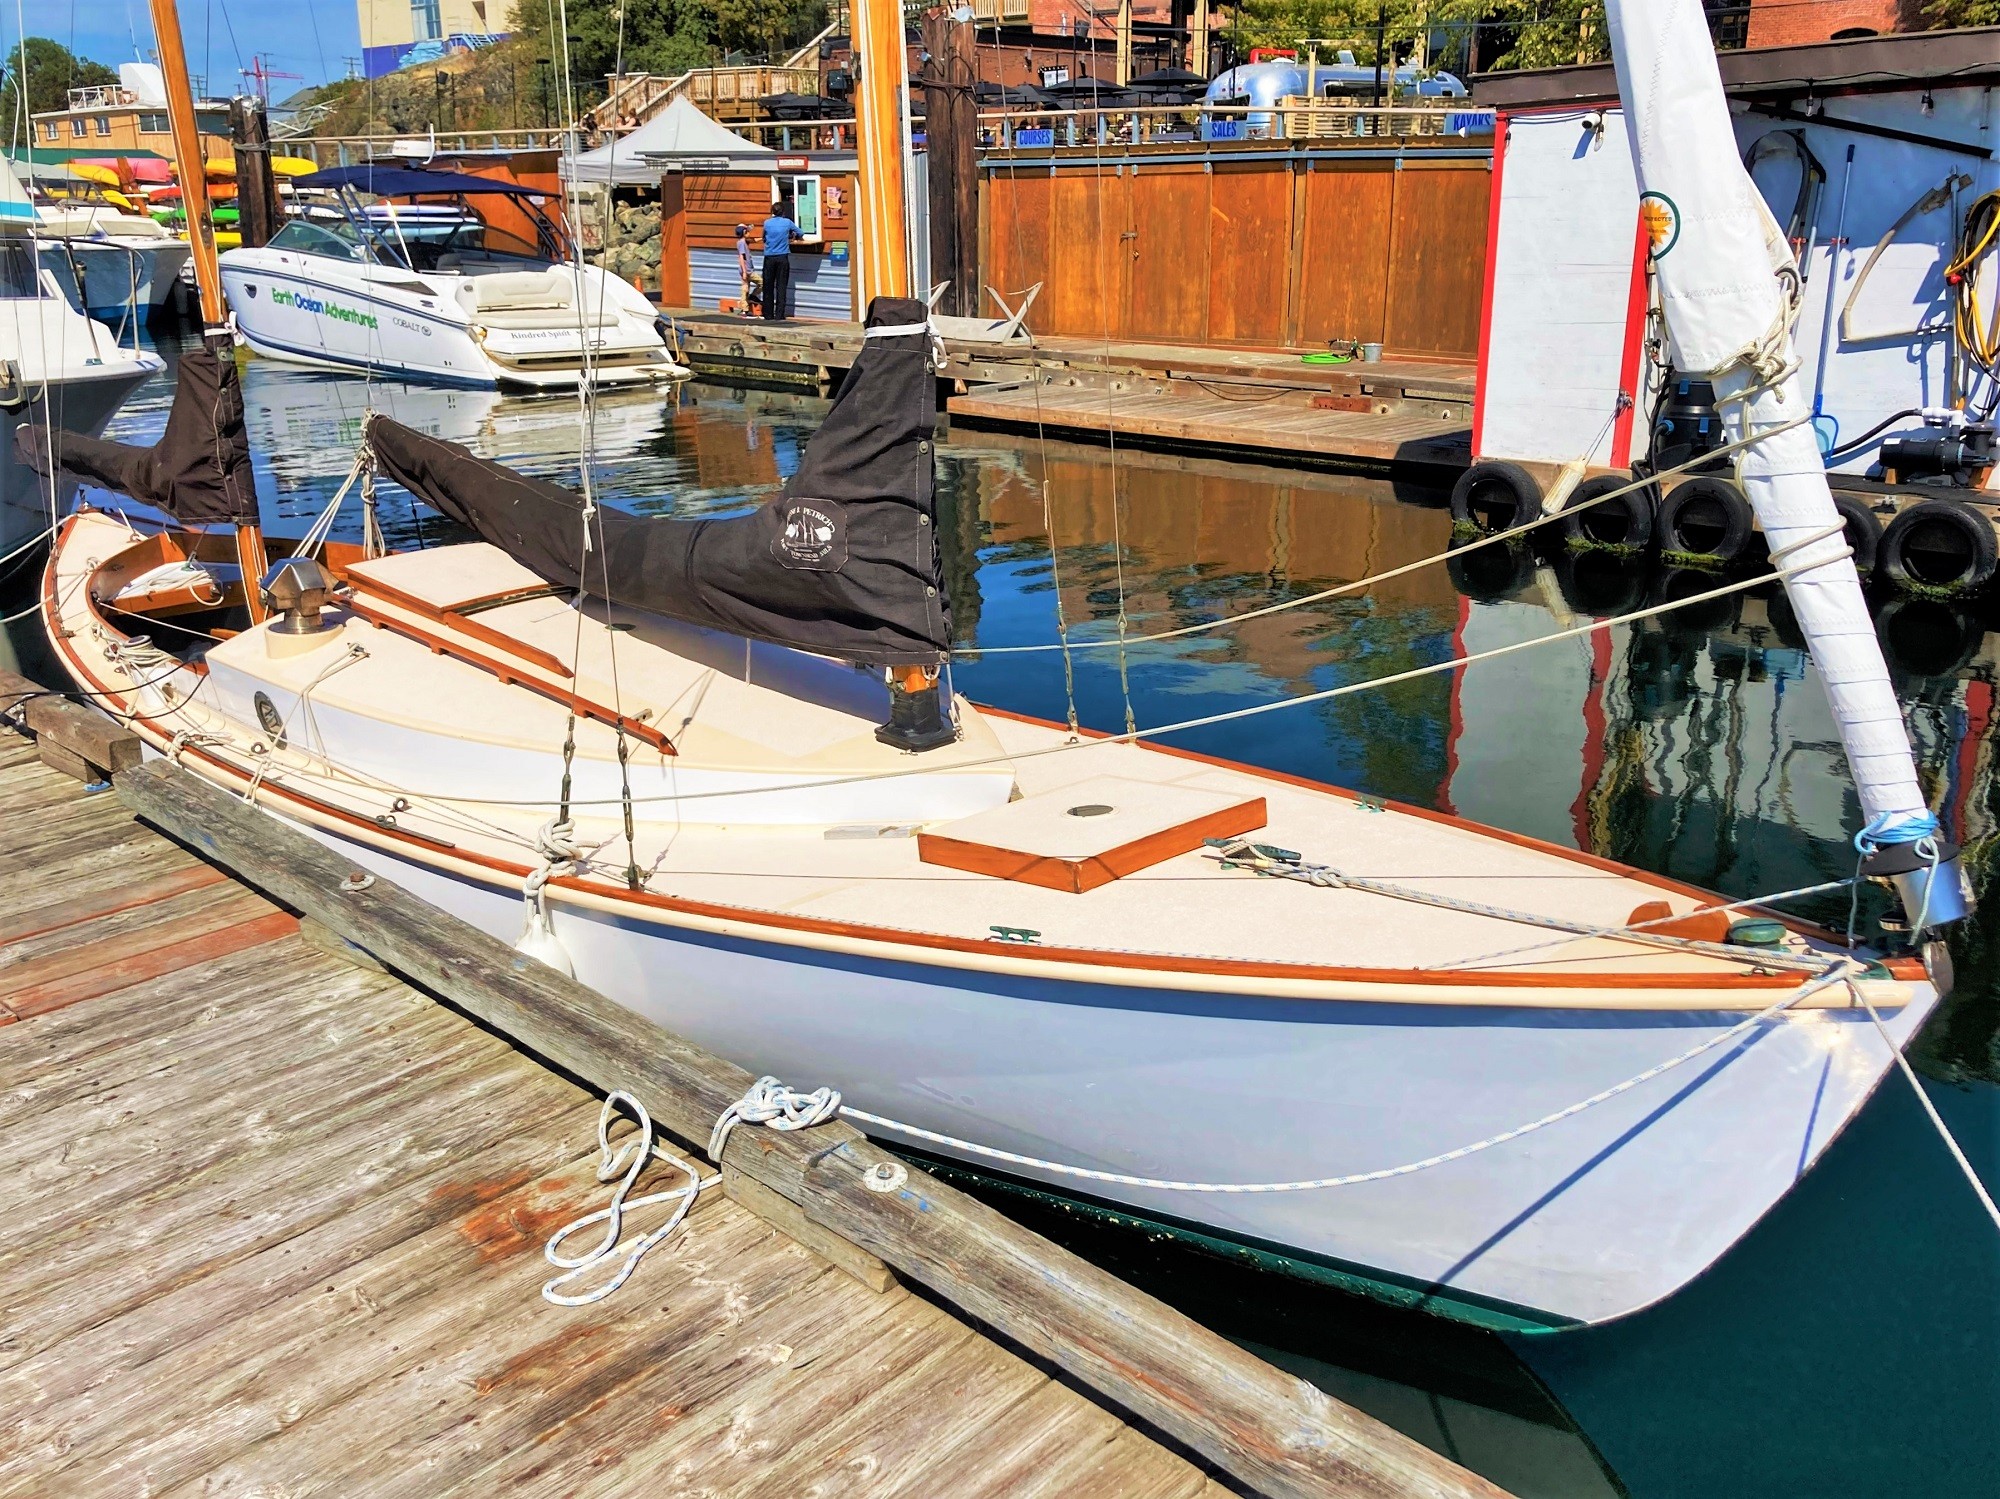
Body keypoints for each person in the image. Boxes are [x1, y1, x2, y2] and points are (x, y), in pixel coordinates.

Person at [760, 195, 817, 321]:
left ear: (772, 212)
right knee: (781, 286)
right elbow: (801, 232)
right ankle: (779, 315)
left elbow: (764, 238)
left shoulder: (767, 223)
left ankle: (767, 314)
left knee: (768, 286)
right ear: (783, 212)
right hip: (782, 257)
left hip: (769, 257)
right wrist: (792, 236)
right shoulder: (787, 222)